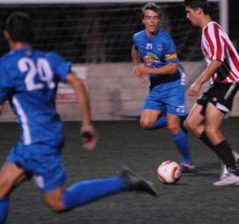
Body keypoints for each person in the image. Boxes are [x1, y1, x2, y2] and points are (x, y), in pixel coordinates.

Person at [0, 12, 157, 223]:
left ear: (6, 35)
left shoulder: (6, 65)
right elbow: (77, 83)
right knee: (1, 190)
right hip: (43, 136)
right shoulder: (49, 59)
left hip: (37, 143)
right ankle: (124, 181)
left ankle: (124, 182)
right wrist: (87, 123)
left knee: (58, 202)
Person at [183, 0, 239, 186]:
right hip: (218, 83)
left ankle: (234, 173)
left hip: (228, 82)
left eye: (188, 12)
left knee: (211, 128)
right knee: (192, 123)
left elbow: (218, 60)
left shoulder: (211, 29)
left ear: (199, 11)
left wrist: (199, 82)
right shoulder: (208, 30)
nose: (187, 16)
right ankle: (228, 155)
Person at [131, 3, 194, 172]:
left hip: (174, 83)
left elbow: (173, 68)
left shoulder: (166, 40)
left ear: (159, 20)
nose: (152, 21)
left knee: (173, 127)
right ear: (143, 20)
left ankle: (187, 162)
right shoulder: (137, 37)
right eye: (149, 18)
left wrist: (147, 69)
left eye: (156, 18)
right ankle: (179, 117)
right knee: (146, 123)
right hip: (157, 85)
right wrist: (136, 65)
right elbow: (135, 49)